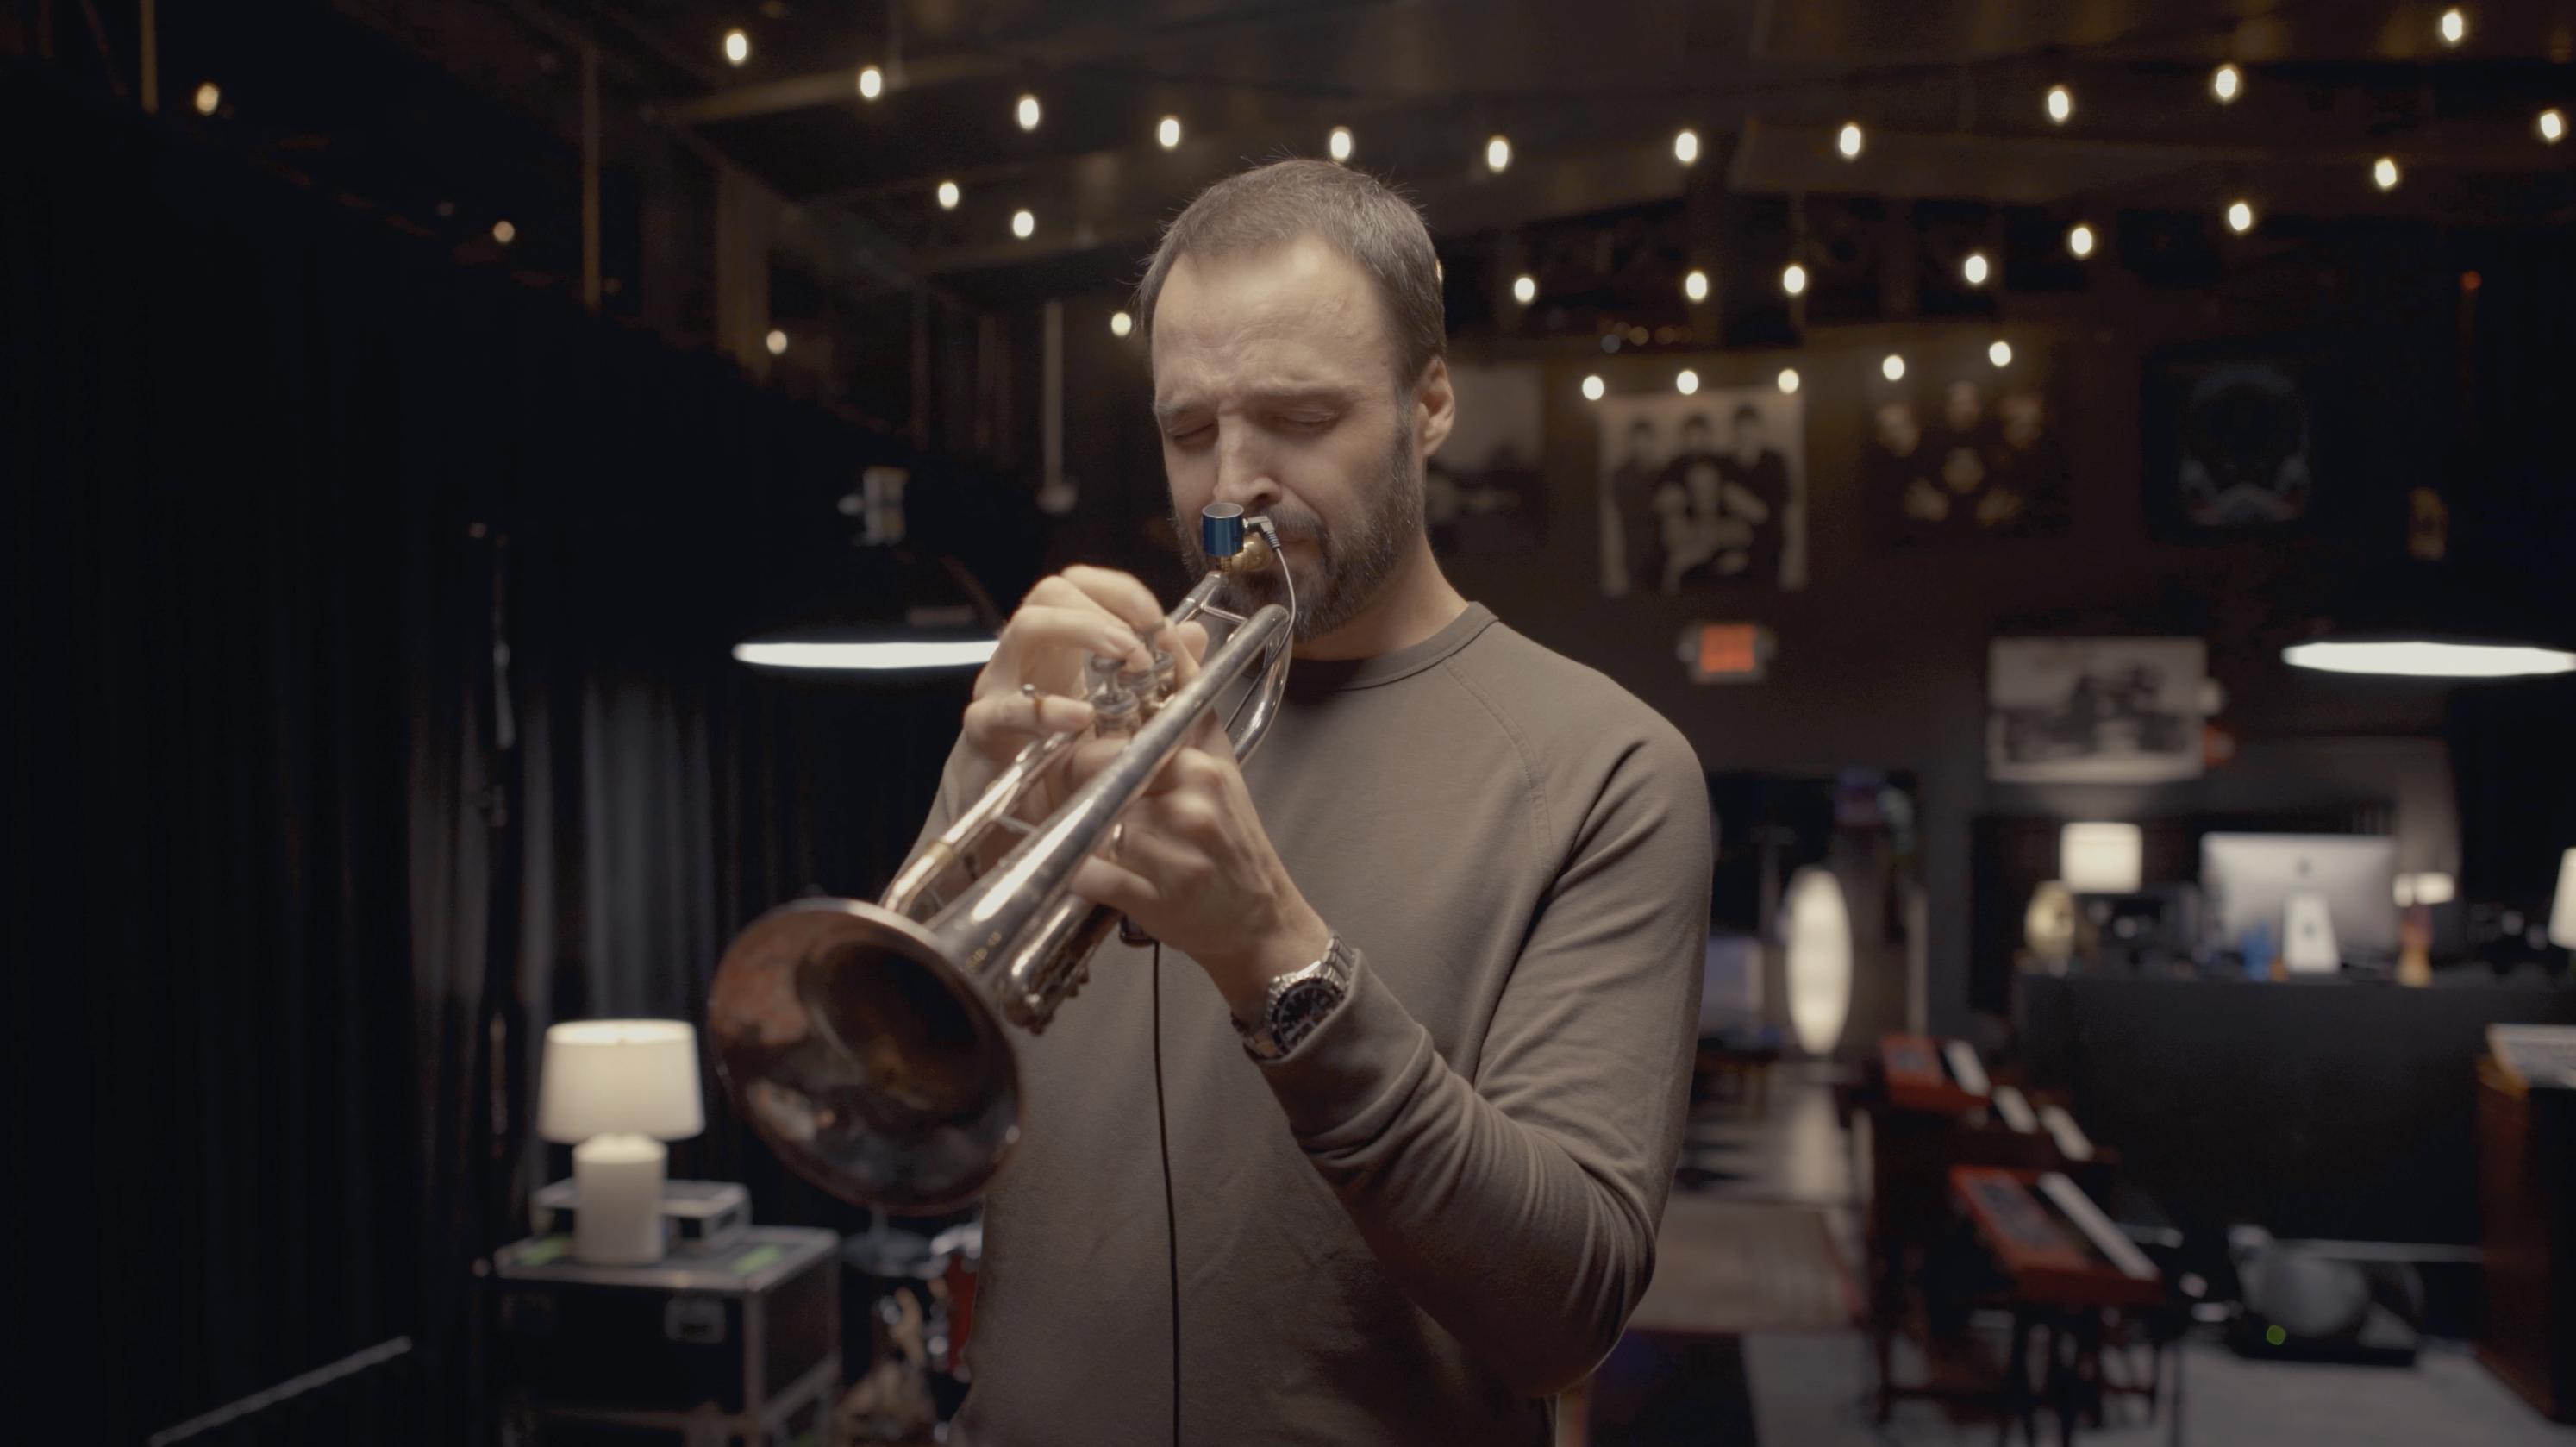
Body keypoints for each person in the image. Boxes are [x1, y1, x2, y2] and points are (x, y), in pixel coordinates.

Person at [912, 159, 1710, 1444]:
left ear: (1429, 403)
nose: (1232, 490)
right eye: (1188, 433)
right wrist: (985, 812)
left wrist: (1276, 955)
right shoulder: (1084, 710)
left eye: (1298, 417)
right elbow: (903, 1120)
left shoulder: (1606, 770)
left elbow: (1564, 1311)